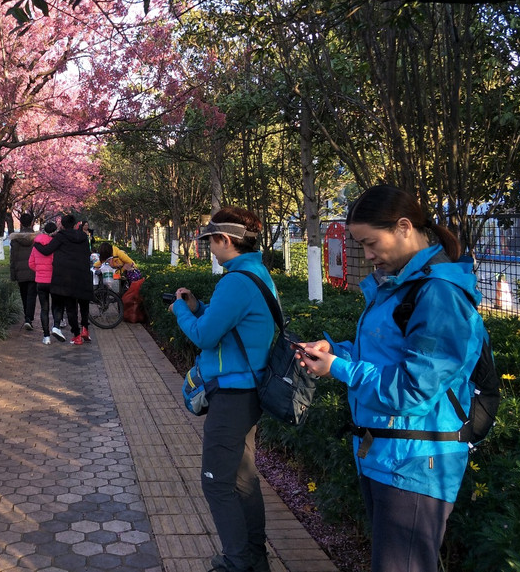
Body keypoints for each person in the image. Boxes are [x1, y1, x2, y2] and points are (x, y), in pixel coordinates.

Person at [297, 185, 488, 572]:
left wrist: (337, 367)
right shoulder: (399, 285)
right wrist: (335, 352)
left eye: (370, 243)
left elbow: (413, 387)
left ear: (403, 227)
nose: (367, 256)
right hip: (386, 453)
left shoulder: (439, 295)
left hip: (418, 460)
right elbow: (383, 355)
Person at [169, 207, 275, 572]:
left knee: (217, 484)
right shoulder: (254, 273)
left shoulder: (237, 280)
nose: (209, 249)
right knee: (243, 480)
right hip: (246, 392)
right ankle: (254, 558)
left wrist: (180, 312)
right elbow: (227, 322)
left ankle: (235, 563)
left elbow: (205, 335)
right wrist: (197, 306)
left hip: (233, 395)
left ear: (225, 240)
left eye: (211, 242)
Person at [33, 214, 94, 345]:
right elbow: (88, 253)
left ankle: (77, 335)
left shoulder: (61, 237)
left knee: (71, 307)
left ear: (62, 225)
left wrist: (36, 244)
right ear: (75, 224)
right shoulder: (84, 236)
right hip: (83, 274)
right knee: (84, 304)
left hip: (67, 277)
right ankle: (85, 329)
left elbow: (47, 250)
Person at [29, 221, 58, 344]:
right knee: (56, 307)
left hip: (40, 281)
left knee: (44, 309)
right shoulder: (55, 245)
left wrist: (39, 271)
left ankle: (46, 337)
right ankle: (56, 327)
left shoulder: (36, 245)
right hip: (53, 281)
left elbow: (31, 263)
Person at [9, 212, 38, 331]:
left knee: (24, 295)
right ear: (32, 223)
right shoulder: (36, 238)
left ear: (21, 223)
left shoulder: (15, 239)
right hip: (33, 271)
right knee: (32, 295)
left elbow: (13, 258)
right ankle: (28, 319)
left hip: (20, 271)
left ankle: (27, 317)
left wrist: (13, 275)